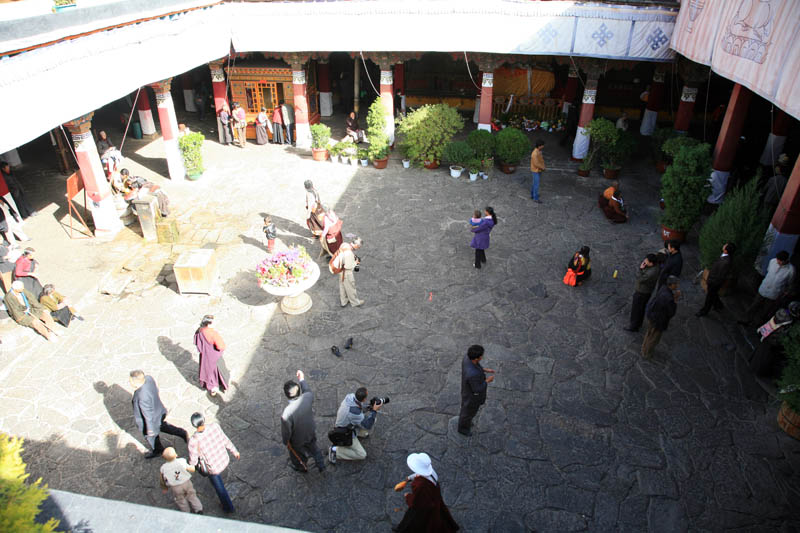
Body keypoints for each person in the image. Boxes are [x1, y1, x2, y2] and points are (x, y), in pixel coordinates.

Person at [129, 370, 189, 458]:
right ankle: (181, 433)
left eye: (130, 380)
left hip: (152, 420)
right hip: (158, 411)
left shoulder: (141, 396)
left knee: (152, 437)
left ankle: (158, 450)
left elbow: (147, 415)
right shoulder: (148, 379)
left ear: (135, 383)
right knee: (163, 426)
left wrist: (150, 430)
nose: (129, 382)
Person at [395, 452, 460, 533]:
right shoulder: (432, 472)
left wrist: (408, 496)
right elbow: (420, 474)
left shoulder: (419, 485)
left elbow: (417, 502)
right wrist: (409, 478)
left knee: (418, 522)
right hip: (435, 498)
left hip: (427, 506)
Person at [187, 413, 239, 514]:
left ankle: (229, 508)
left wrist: (190, 465)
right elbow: (225, 440)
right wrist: (234, 451)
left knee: (220, 488)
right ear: (203, 420)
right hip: (223, 459)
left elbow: (193, 460)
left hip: (213, 468)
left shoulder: (194, 441)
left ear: (194, 425)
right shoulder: (215, 427)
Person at [281, 370, 326, 473]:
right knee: (314, 448)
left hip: (297, 440)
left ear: (286, 394)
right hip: (310, 431)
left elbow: (286, 432)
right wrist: (302, 379)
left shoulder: (286, 414)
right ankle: (321, 465)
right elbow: (307, 389)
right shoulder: (307, 397)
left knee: (297, 455)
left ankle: (302, 467)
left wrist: (286, 442)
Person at [328, 386, 381, 464]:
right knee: (362, 454)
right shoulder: (354, 413)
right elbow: (368, 425)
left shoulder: (351, 396)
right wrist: (374, 411)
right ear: (364, 399)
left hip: (349, 424)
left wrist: (370, 407)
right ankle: (335, 451)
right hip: (345, 433)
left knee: (371, 420)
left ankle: (359, 433)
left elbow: (360, 408)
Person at [741, 251, 796, 327]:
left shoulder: (791, 270)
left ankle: (758, 325)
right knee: (754, 305)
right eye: (778, 260)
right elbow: (768, 271)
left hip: (774, 294)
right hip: (764, 289)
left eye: (780, 261)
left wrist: (784, 293)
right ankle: (746, 319)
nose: (778, 262)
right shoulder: (773, 261)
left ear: (786, 260)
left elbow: (789, 283)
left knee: (765, 310)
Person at [458, 344, 495, 436]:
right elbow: (477, 389)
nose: (482, 357)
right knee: (467, 413)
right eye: (481, 356)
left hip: (466, 391)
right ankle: (463, 428)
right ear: (476, 358)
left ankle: (466, 422)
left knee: (467, 412)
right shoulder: (472, 374)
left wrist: (484, 369)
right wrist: (487, 381)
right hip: (472, 398)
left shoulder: (467, 358)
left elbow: (476, 366)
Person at [641, 275, 680, 359]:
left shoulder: (663, 288)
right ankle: (647, 353)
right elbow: (671, 312)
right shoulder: (669, 298)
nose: (677, 286)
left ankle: (644, 349)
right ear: (672, 284)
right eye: (676, 284)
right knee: (654, 338)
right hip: (659, 320)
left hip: (653, 315)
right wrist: (675, 300)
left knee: (649, 333)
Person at [159, 447, 203, 514]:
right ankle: (198, 509)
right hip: (186, 482)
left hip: (175, 486)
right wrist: (193, 467)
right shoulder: (181, 461)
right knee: (192, 495)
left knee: (180, 499)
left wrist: (164, 487)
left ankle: (186, 511)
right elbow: (191, 469)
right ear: (176, 455)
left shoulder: (163, 468)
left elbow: (162, 479)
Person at [194, 315, 230, 397]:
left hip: (205, 355)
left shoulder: (199, 330)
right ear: (209, 324)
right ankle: (222, 384)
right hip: (214, 356)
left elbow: (197, 341)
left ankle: (212, 388)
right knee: (220, 370)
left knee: (207, 371)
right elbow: (221, 346)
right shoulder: (212, 334)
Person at [696, 242, 736, 317]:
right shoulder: (725, 257)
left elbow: (720, 276)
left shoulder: (726, 262)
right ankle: (718, 305)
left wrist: (711, 281)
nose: (723, 245)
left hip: (714, 282)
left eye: (725, 245)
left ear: (726, 250)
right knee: (713, 294)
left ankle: (704, 311)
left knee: (709, 297)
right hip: (713, 280)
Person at [624, 254, 659, 332]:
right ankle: (638, 323)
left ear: (651, 263)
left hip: (642, 292)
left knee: (636, 309)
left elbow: (640, 278)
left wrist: (640, 269)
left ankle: (633, 326)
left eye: (646, 261)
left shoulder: (651, 273)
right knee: (641, 309)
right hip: (646, 291)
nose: (644, 261)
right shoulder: (654, 267)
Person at [331, 237, 364, 307]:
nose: (358, 248)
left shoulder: (344, 244)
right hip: (346, 273)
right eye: (358, 247)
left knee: (342, 286)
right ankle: (355, 302)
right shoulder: (349, 254)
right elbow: (349, 267)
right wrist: (356, 262)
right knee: (351, 287)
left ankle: (344, 301)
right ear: (356, 245)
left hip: (340, 270)